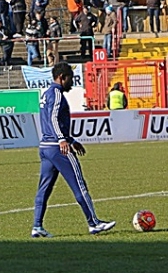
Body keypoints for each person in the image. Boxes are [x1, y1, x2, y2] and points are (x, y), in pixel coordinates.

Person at [32, 61, 116, 237]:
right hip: (58, 148)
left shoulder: (47, 94)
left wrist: (71, 139)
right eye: (70, 78)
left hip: (46, 146)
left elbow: (50, 121)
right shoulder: (56, 94)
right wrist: (63, 140)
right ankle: (94, 223)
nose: (72, 82)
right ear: (62, 78)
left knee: (44, 188)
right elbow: (54, 118)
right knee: (79, 184)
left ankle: (37, 226)